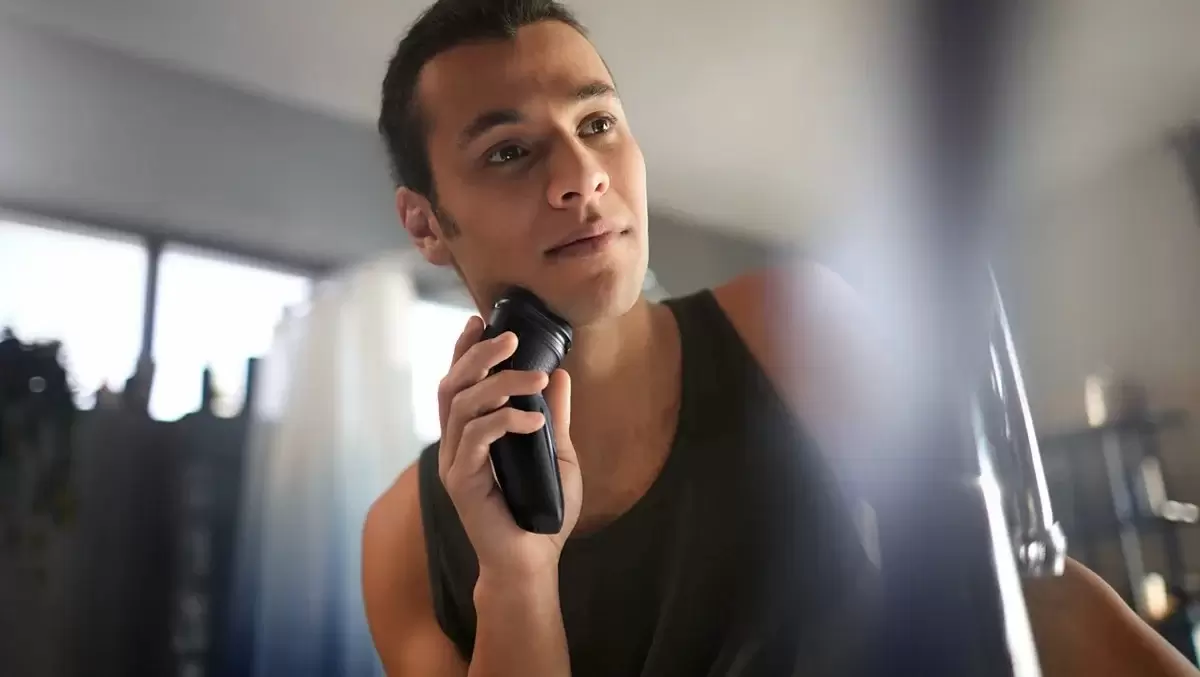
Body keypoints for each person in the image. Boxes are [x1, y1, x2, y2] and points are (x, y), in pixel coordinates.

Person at [360, 1, 1200, 675]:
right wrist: (516, 579)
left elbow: (1021, 587)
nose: (583, 177)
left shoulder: (786, 325)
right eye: (509, 150)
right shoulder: (401, 541)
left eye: (598, 123)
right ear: (426, 222)